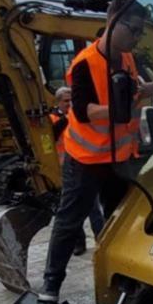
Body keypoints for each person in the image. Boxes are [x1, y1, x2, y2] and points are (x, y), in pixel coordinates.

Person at [37, 0, 153, 302]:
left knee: (120, 221)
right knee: (70, 220)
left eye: (140, 32)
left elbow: (138, 92)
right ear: (113, 22)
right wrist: (116, 110)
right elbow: (83, 110)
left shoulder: (127, 59)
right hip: (86, 160)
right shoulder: (85, 64)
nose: (137, 38)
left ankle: (125, 281)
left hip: (120, 159)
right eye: (133, 30)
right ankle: (50, 286)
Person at [50, 86, 104, 255]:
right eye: (66, 101)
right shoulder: (52, 118)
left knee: (93, 207)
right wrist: (68, 118)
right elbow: (52, 135)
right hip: (64, 170)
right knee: (73, 210)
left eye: (71, 100)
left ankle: (102, 239)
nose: (69, 103)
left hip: (83, 165)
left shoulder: (81, 115)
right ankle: (79, 243)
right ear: (58, 102)